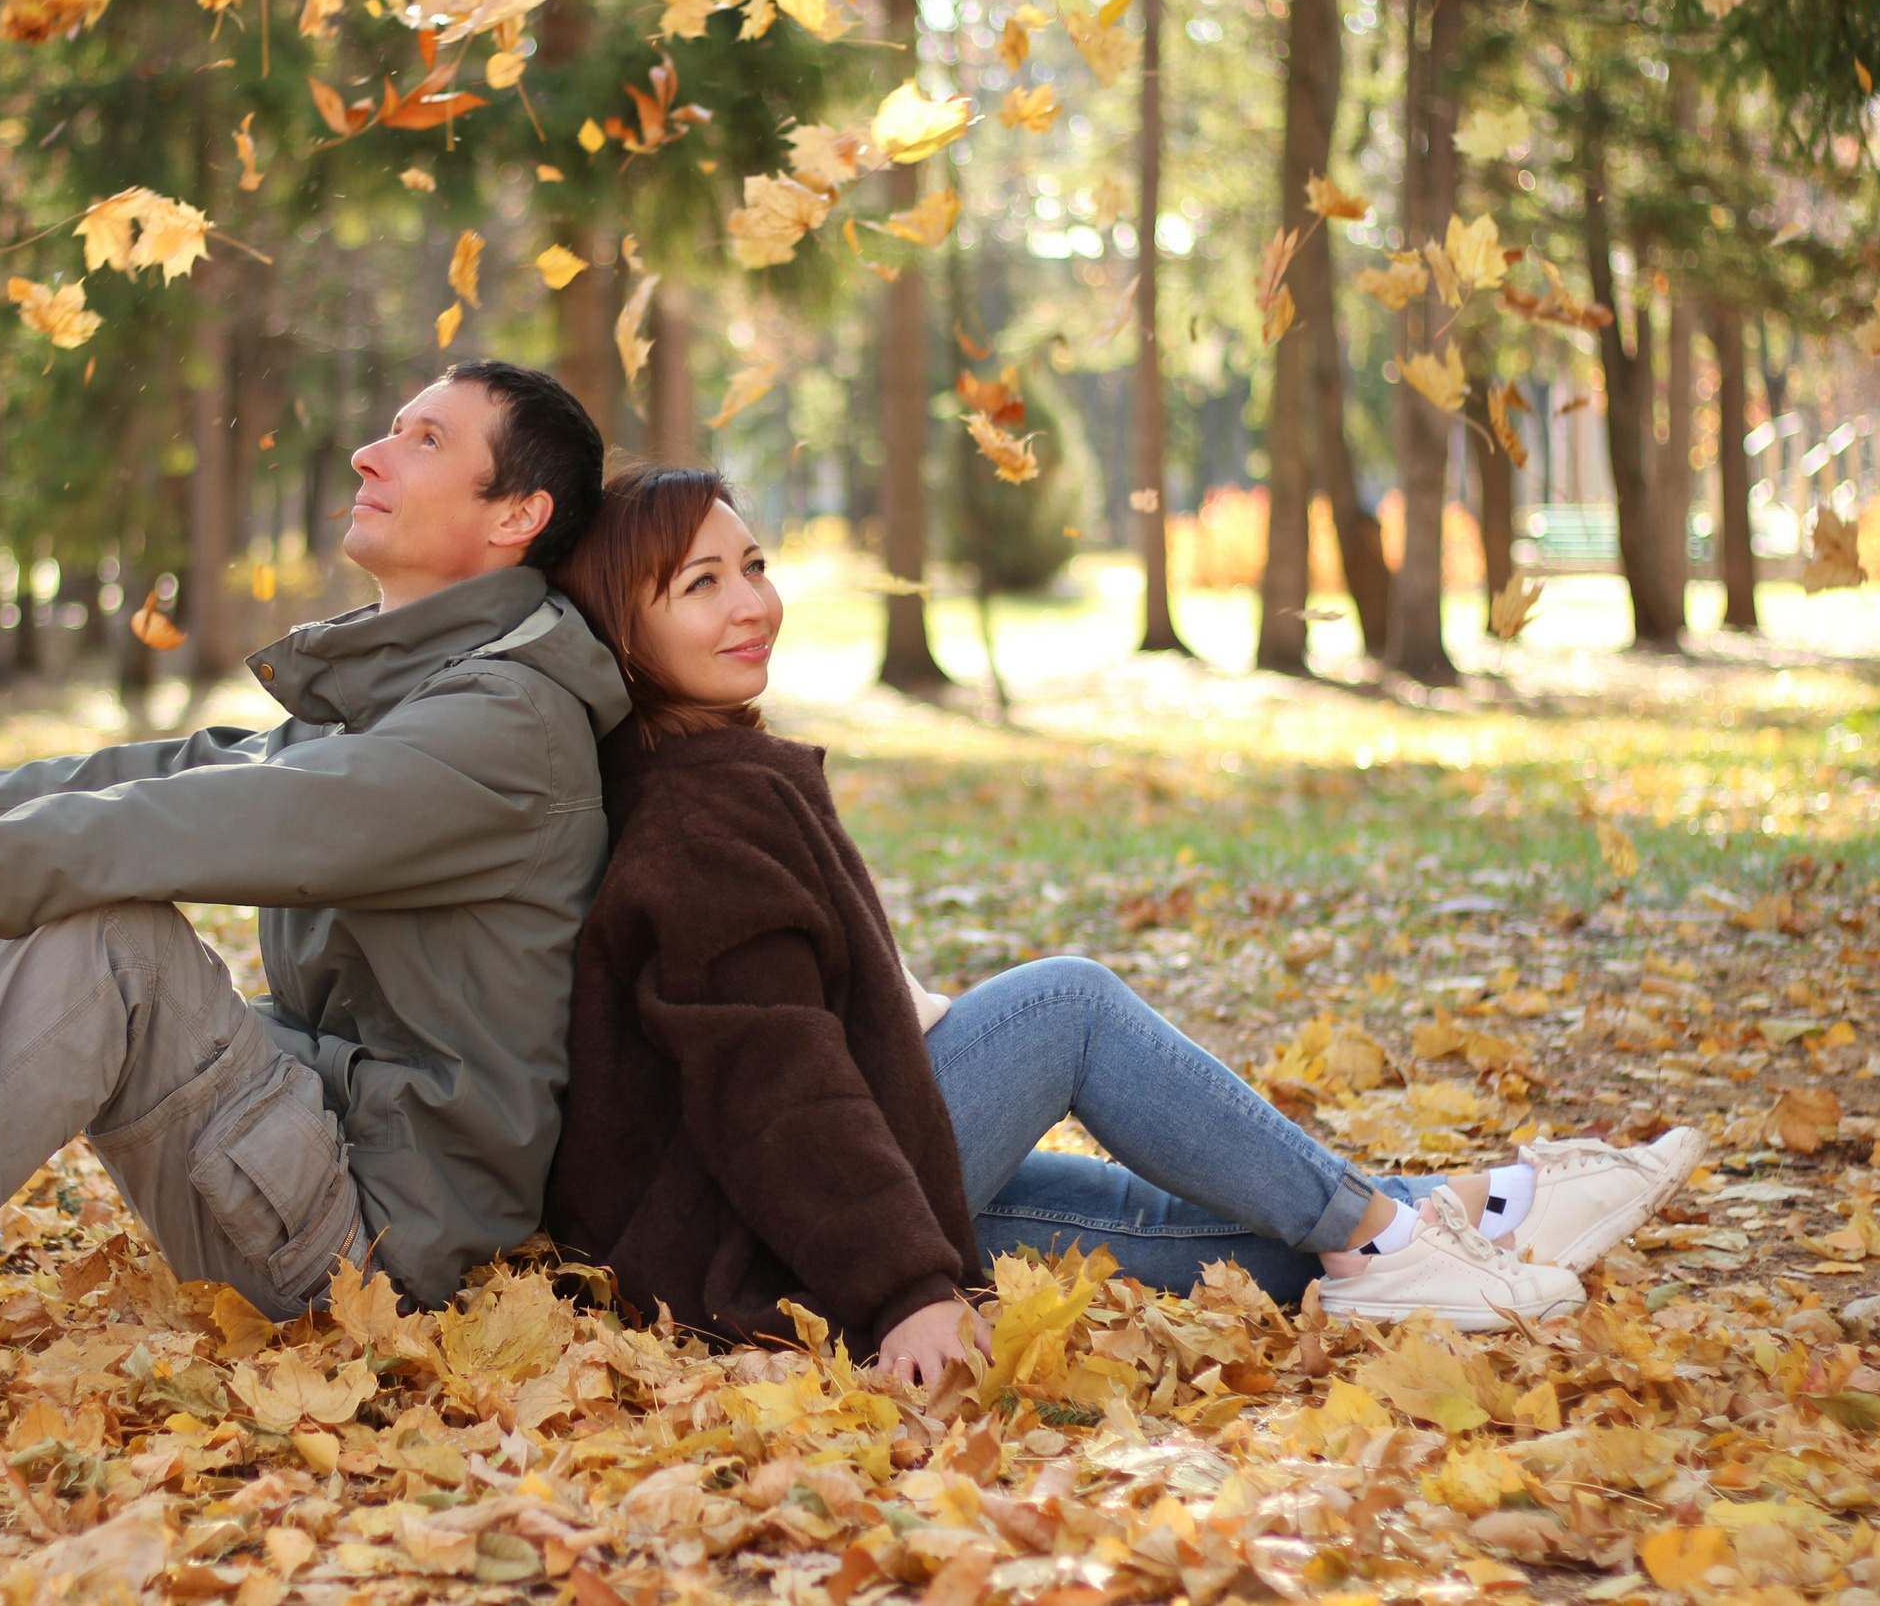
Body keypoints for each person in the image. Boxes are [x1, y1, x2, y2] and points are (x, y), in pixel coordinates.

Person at [0, 363, 630, 1409]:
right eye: (391, 426)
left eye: (427, 440)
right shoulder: (409, 691)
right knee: (37, 882)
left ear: (517, 517)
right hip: (304, 1168)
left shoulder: (503, 730)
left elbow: (180, 824)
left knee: (108, 930)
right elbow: (153, 776)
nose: (371, 451)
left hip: (382, 1260)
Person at [543, 465, 1700, 1388]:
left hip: (779, 1213)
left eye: (752, 564)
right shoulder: (699, 815)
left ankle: (1474, 1225)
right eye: (698, 585)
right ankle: (1408, 1228)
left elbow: (814, 1019)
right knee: (1066, 1006)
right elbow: (773, 1086)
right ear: (621, 631)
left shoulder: (696, 772)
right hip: (750, 1244)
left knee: (1174, 1231)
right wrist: (906, 1289)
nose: (751, 602)